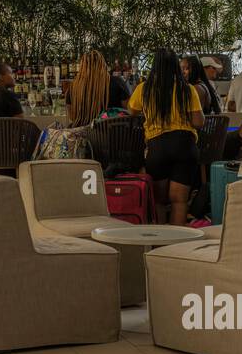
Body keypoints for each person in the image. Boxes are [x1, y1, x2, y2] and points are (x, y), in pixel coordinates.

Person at [127, 49, 204, 226]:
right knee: (179, 200)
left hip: (157, 146)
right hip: (184, 145)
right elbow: (199, 122)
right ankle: (176, 246)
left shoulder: (144, 89)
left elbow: (132, 111)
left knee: (160, 201)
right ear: (177, 66)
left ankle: (160, 244)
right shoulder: (187, 89)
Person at [65, 50, 130, 127]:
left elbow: (72, 117)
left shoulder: (73, 87)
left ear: (82, 67)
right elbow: (128, 111)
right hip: (112, 135)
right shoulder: (117, 82)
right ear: (103, 65)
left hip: (83, 135)